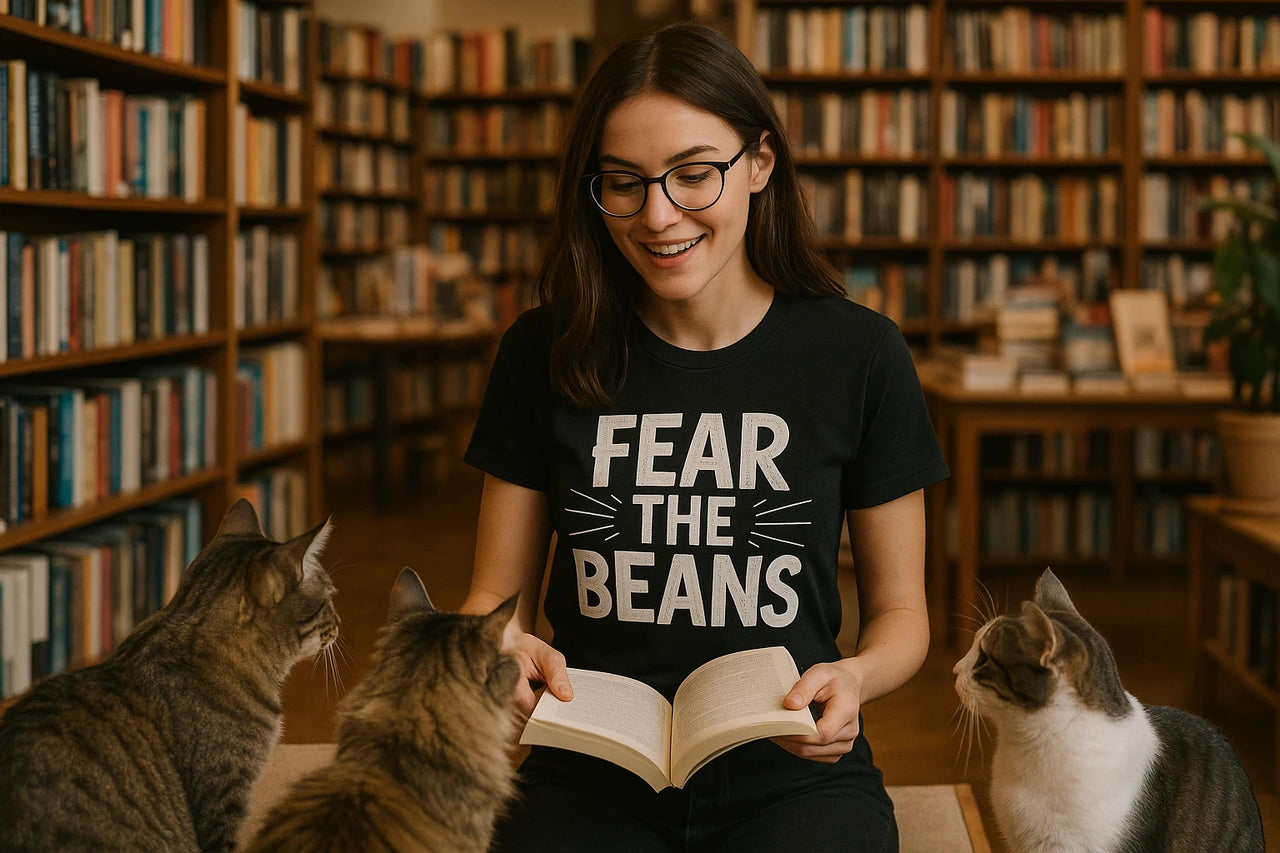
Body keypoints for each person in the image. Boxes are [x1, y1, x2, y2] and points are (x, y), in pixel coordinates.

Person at [461, 21, 949, 852]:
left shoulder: (859, 354)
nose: (658, 217)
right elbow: (488, 598)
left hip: (790, 766)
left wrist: (856, 677)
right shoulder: (541, 351)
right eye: (623, 183)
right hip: (585, 761)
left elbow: (903, 613)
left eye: (693, 175)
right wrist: (497, 644)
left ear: (760, 163)